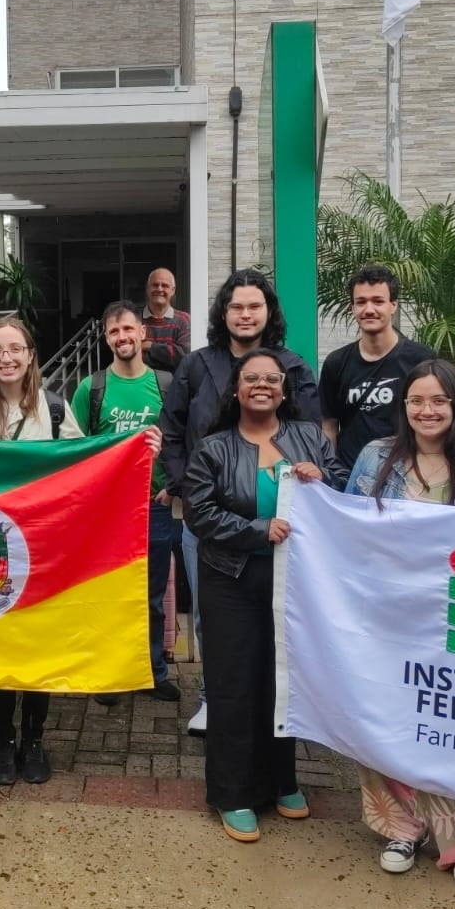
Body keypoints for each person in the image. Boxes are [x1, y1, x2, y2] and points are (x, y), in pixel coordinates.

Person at [345, 358, 455, 890]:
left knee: (444, 728)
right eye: (416, 400)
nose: (427, 410)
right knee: (383, 720)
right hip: (383, 615)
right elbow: (347, 529)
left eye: (439, 400)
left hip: (449, 622)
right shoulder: (375, 458)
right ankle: (402, 828)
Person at [183, 349, 344, 842]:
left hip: (293, 581)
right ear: (236, 389)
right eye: (251, 378)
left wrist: (324, 479)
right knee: (234, 685)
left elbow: (344, 490)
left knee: (282, 684)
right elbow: (199, 512)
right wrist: (257, 529)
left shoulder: (309, 437)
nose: (262, 385)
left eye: (271, 378)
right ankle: (232, 793)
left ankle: (282, 782)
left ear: (283, 389)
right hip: (230, 580)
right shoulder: (213, 448)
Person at [162, 268, 321, 735]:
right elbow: (171, 431)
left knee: (279, 617)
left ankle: (276, 702)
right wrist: (187, 488)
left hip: (280, 521)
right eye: (236, 306)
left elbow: (311, 437)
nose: (245, 314)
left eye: (255, 306)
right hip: (209, 519)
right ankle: (213, 699)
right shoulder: (196, 366)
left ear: (269, 312)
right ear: (223, 313)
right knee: (212, 616)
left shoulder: (293, 367)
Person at [0, 317, 88, 785]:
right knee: (0, 646)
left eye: (15, 349)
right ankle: (3, 739)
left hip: (43, 550)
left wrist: (136, 447)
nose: (6, 358)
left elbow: (83, 464)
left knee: (37, 646)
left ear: (30, 355)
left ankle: (34, 738)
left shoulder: (54, 408)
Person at [71, 301, 180, 704]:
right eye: (114, 331)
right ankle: (111, 674)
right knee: (109, 593)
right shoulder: (91, 388)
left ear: (142, 333)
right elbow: (74, 449)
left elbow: (181, 440)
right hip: (108, 510)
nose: (123, 337)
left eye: (129, 329)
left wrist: (173, 485)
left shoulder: (166, 384)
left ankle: (153, 670)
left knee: (151, 594)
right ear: (106, 338)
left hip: (154, 504)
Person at [319, 264, 435, 471]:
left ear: (393, 305)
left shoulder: (421, 360)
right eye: (361, 302)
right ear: (353, 307)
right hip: (350, 477)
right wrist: (332, 473)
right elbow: (328, 426)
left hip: (405, 475)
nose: (369, 310)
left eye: (378, 301)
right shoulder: (335, 363)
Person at [142, 268, 191, 373]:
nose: (159, 289)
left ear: (172, 290)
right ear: (147, 288)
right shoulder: (135, 318)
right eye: (155, 285)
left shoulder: (184, 320)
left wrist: (150, 346)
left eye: (164, 285)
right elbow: (132, 354)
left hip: (174, 382)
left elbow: (184, 357)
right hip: (142, 382)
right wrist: (168, 354)